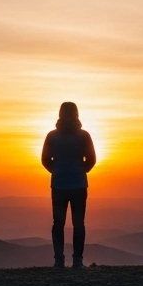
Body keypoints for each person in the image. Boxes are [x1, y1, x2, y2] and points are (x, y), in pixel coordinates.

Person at [40, 101, 97, 269]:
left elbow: (45, 159)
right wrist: (81, 170)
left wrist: (57, 171)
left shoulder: (52, 136)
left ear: (60, 114)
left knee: (58, 223)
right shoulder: (83, 135)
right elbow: (92, 159)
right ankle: (77, 261)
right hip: (79, 184)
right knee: (79, 223)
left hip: (58, 185)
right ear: (77, 114)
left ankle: (59, 260)